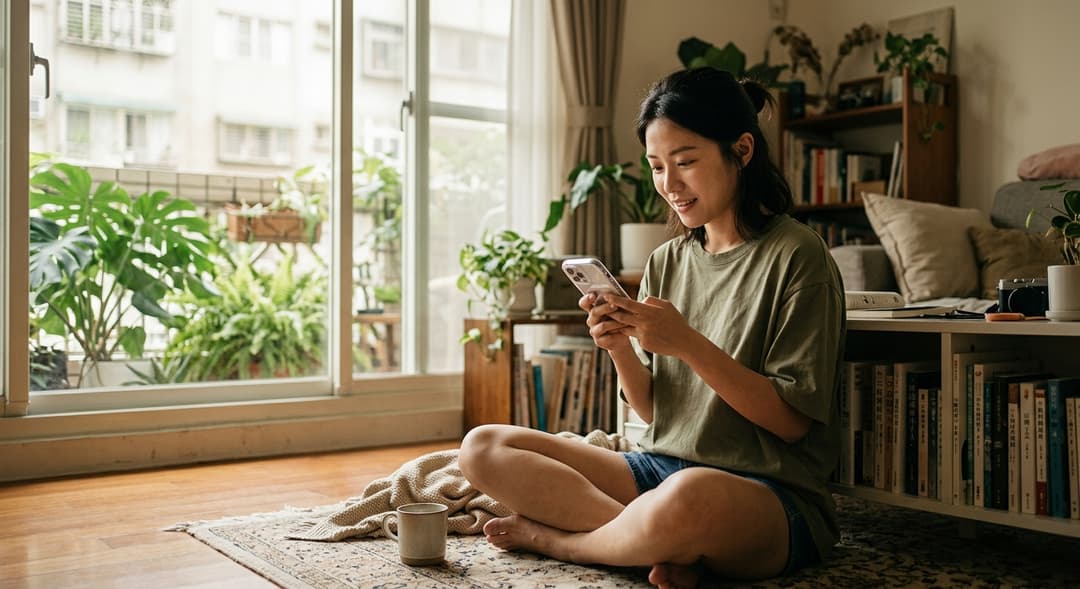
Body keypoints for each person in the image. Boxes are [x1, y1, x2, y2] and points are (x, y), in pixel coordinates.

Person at [458, 67, 845, 588]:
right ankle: (657, 544)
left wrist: (687, 344)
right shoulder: (665, 261)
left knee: (687, 500)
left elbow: (792, 424)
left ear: (743, 150)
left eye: (685, 162)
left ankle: (560, 541)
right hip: (661, 468)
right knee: (483, 446)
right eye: (657, 167)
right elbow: (655, 412)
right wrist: (618, 346)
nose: (670, 185)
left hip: (768, 495)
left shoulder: (799, 256)